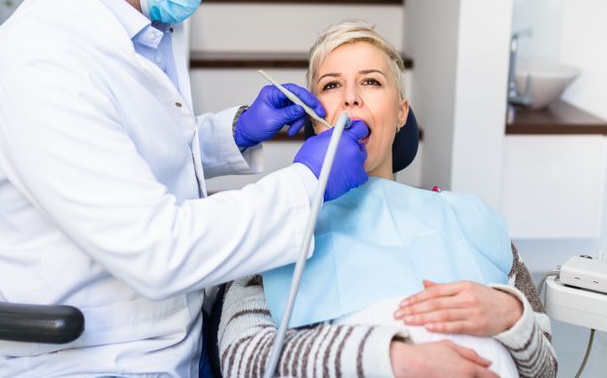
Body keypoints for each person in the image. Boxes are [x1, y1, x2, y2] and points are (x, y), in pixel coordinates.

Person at [0, 0, 371, 378]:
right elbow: (158, 251)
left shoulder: (136, 26)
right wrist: (306, 184)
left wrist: (235, 133)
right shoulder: (40, 64)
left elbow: (124, 154)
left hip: (162, 331)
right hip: (89, 360)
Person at [217, 21, 557, 378]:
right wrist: (393, 358)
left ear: (401, 113)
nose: (351, 97)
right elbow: (244, 361)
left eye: (371, 81)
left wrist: (512, 317)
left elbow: (546, 368)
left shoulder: (470, 220)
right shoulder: (279, 222)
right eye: (332, 85)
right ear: (316, 121)